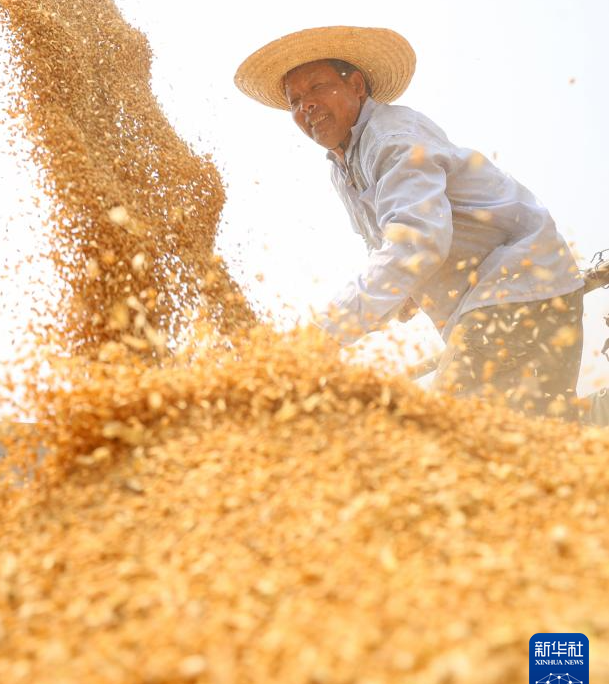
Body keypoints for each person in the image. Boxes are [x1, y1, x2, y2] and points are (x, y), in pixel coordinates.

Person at [234, 25, 585, 417]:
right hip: (501, 303)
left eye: (317, 87)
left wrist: (321, 336)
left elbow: (417, 243)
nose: (307, 107)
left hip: (518, 290)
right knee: (541, 430)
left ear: (357, 86)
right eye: (295, 100)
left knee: (454, 430)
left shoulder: (391, 138)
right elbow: (393, 250)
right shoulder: (342, 167)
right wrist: (402, 295)